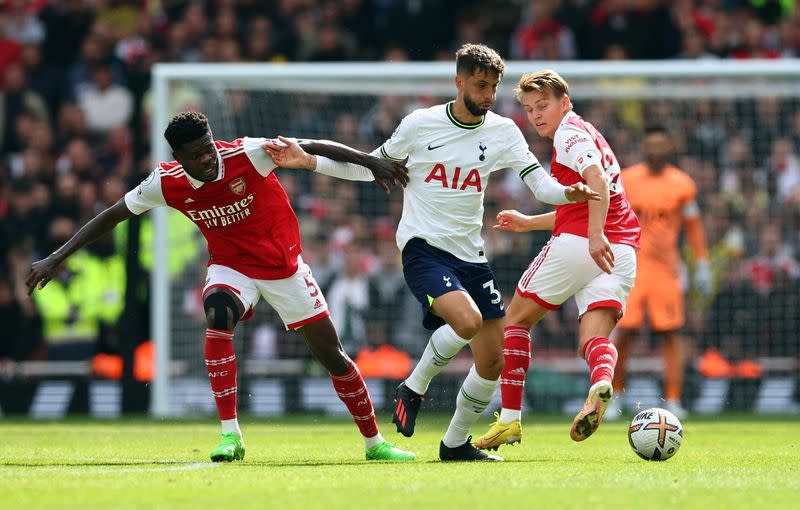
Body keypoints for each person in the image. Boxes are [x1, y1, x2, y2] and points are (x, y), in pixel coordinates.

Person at [265, 45, 599, 461]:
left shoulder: (503, 131)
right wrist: (310, 161)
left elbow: (539, 184)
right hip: (423, 248)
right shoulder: (420, 125)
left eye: (493, 87)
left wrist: (568, 192)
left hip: (471, 255)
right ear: (459, 83)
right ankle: (414, 385)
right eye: (480, 85)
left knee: (493, 361)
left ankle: (455, 443)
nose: (488, 95)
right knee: (466, 320)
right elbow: (371, 166)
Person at [26, 111, 416, 463]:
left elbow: (310, 146)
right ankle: (231, 434)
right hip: (231, 267)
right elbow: (111, 216)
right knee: (218, 314)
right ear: (179, 158)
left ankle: (374, 442)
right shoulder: (165, 183)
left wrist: (371, 163)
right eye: (197, 154)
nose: (208, 157)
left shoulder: (247, 154)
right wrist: (55, 258)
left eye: (209, 147)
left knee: (333, 356)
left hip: (285, 268)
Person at [474, 69, 641, 450]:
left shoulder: (569, 133)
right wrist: (530, 222)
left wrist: (595, 234)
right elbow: (585, 197)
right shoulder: (590, 133)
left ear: (565, 103)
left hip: (586, 242)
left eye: (543, 105)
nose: (536, 115)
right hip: (623, 249)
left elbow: (595, 180)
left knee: (514, 321)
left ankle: (510, 420)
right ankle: (601, 382)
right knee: (593, 339)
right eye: (530, 108)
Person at [609, 125, 711, 420]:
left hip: (666, 270)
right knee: (625, 331)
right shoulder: (626, 179)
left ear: (669, 148)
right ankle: (615, 396)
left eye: (660, 145)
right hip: (631, 266)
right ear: (644, 147)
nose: (655, 150)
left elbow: (693, 226)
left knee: (670, 333)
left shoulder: (682, 184)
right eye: (650, 145)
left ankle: (675, 398)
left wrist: (702, 262)